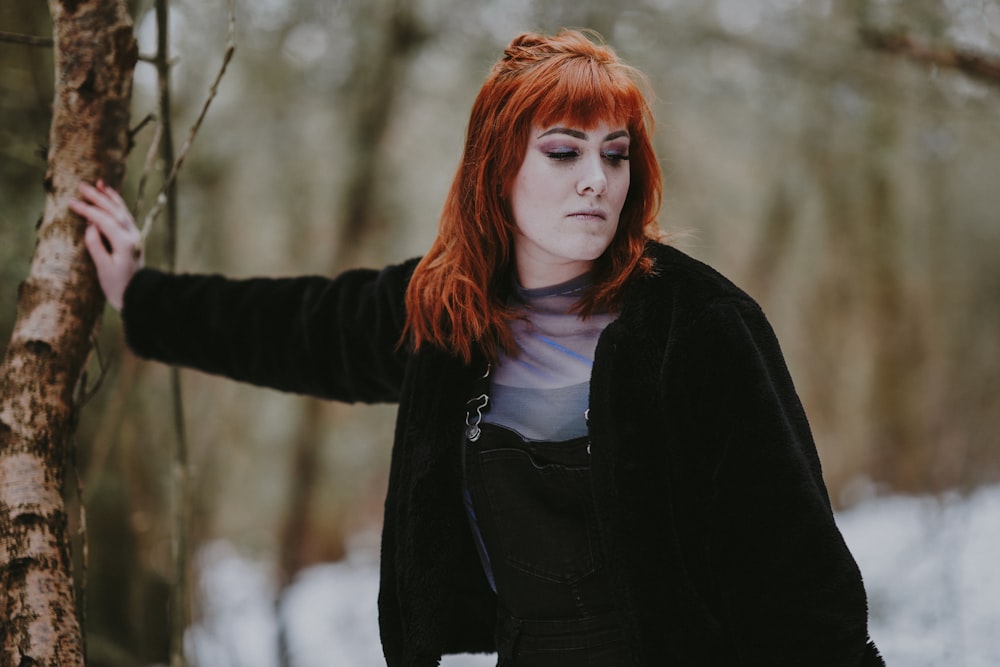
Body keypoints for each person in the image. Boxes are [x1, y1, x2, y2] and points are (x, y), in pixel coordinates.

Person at [71, 29, 884, 667]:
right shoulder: (448, 311)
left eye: (616, 154)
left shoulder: (698, 323)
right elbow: (298, 326)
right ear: (498, 167)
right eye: (564, 151)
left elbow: (800, 573)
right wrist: (142, 296)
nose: (595, 180)